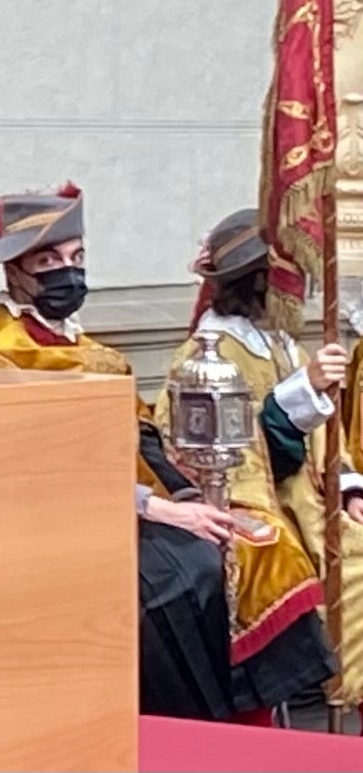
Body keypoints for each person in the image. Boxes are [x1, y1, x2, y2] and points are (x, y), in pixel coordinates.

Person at [0, 187, 257, 719]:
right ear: (15, 272)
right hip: (41, 521)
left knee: (210, 552)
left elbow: (141, 434)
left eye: (77, 257)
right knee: (169, 578)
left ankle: (221, 728)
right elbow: (31, 467)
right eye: (49, 262)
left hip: (113, 506)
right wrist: (154, 508)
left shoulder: (91, 351)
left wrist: (187, 497)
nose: (69, 272)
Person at [151, 208, 352, 716]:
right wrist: (303, 392)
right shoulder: (207, 355)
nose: (302, 289)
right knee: (289, 557)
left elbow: (327, 444)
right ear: (261, 281)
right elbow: (225, 457)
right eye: (292, 276)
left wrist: (349, 487)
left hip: (309, 496)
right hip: (248, 500)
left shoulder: (283, 345)